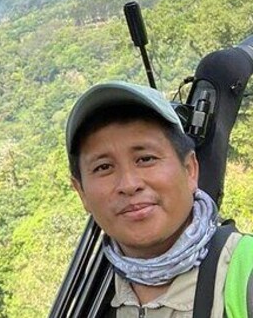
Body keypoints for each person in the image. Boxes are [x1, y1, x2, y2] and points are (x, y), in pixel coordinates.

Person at [66, 81, 253, 317]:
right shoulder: (93, 299)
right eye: (104, 167)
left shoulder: (244, 272)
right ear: (81, 192)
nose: (129, 184)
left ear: (190, 169)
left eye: (145, 159)